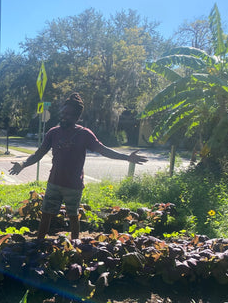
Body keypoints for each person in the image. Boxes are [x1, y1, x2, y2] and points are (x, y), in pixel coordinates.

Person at [9, 92, 147, 241]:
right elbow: (38, 154)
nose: (64, 116)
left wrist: (127, 157)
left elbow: (103, 150)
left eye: (68, 114)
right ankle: (39, 243)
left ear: (77, 117)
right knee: (46, 215)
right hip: (54, 182)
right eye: (63, 113)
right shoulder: (53, 133)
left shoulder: (85, 134)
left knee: (73, 217)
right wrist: (22, 164)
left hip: (73, 185)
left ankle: (75, 246)